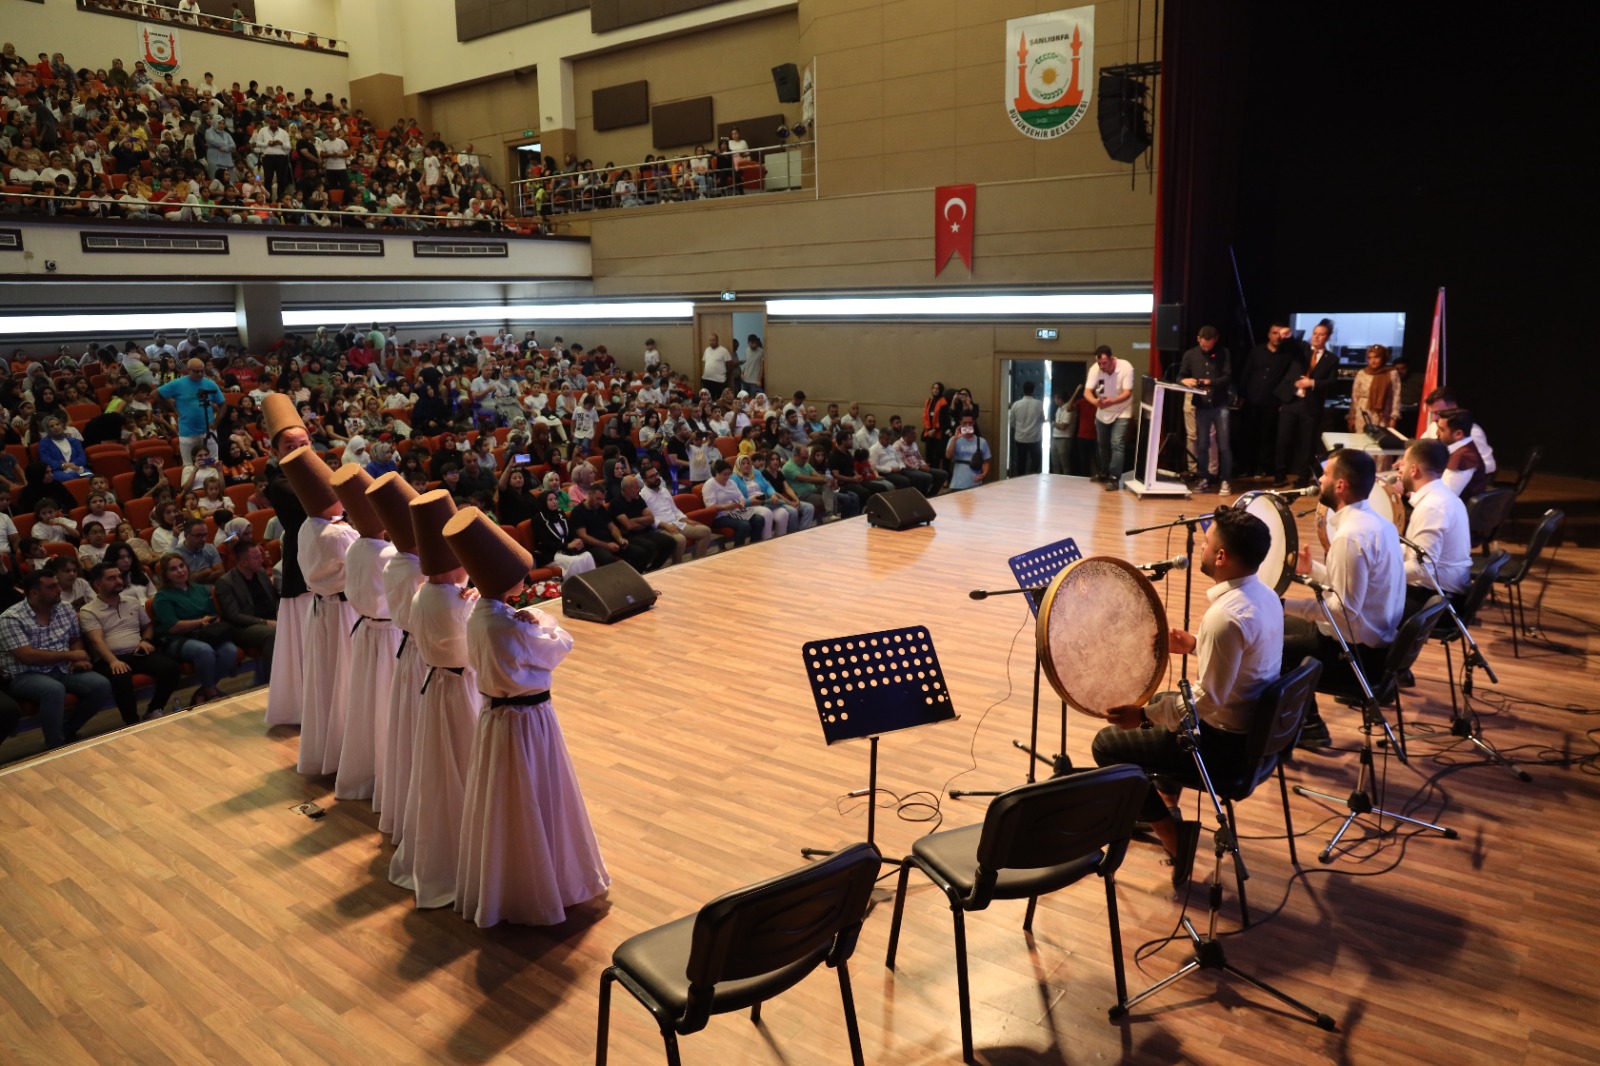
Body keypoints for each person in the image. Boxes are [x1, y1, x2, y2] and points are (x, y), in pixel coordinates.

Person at [1093, 505, 1284, 887]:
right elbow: (1247, 661)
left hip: (1224, 749)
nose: (1200, 547)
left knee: (1108, 744)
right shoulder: (1265, 597)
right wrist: (1197, 644)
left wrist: (1143, 716)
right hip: (1256, 740)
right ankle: (1167, 799)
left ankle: (1171, 834)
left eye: (1206, 541)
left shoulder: (1224, 617)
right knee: (1167, 706)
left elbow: (1206, 702)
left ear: (1221, 556)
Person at [441, 509, 610, 927]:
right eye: (520, 576)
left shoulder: (480, 614)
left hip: (496, 721)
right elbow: (560, 644)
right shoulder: (512, 627)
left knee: (504, 803)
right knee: (536, 798)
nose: (526, 581)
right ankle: (541, 883)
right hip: (528, 722)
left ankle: (505, 884)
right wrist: (544, 618)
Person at [388, 489, 481, 910]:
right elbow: (469, 653)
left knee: (440, 768)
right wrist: (477, 609)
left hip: (437, 689)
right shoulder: (451, 602)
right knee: (460, 764)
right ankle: (464, 846)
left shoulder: (424, 593)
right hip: (456, 690)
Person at [1282, 448, 1405, 749]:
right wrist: (1314, 570)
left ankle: (1307, 727)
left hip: (1358, 654)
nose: (1319, 479)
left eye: (1325, 474)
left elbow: (1343, 612)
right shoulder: (1380, 524)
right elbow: (1360, 587)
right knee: (1279, 621)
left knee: (1275, 643)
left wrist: (1283, 603)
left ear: (1340, 486)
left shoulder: (1350, 536)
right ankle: (1301, 722)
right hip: (1375, 638)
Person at [279, 445, 359, 776]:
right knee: (345, 678)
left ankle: (328, 745)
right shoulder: (340, 534)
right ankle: (345, 747)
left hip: (321, 608)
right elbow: (365, 566)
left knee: (326, 678)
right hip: (344, 612)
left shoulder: (304, 528)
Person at [329, 466, 399, 805]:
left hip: (367, 630)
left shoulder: (355, 546)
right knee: (386, 705)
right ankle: (388, 773)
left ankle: (366, 770)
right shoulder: (387, 554)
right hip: (387, 636)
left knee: (367, 703)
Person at [366, 472, 427, 842]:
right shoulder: (420, 569)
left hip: (408, 650)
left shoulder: (393, 561)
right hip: (424, 655)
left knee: (407, 730)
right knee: (422, 734)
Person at [0, 571, 114, 748]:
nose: (59, 589)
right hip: (25, 674)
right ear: (34, 593)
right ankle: (55, 746)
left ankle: (68, 731)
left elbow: (75, 638)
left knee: (101, 685)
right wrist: (71, 655)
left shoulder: (65, 608)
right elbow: (27, 656)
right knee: (53, 690)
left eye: (57, 585)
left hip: (62, 668)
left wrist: (77, 657)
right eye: (51, 587)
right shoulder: (11, 618)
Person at [261, 395, 313, 729]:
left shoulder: (314, 470)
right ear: (276, 450)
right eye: (290, 444)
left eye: (304, 443)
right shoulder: (278, 483)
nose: (299, 449)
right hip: (302, 556)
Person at [79, 561, 182, 724]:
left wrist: (145, 640)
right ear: (97, 584)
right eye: (111, 578)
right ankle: (132, 722)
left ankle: (154, 709)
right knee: (121, 675)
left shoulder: (132, 602)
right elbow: (96, 640)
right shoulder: (88, 610)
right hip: (108, 658)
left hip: (136, 652)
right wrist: (113, 661)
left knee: (171, 668)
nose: (118, 581)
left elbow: (147, 625)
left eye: (119, 576)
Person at [1390, 439, 1471, 618]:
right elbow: (1418, 554)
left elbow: (1422, 568)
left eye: (1403, 464)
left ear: (1414, 470)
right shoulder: (1444, 497)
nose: (1399, 470)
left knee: (1366, 602)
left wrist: (1381, 573)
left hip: (1440, 601)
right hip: (1440, 591)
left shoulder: (1432, 507)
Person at [151, 553, 238, 706]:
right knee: (204, 651)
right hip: (177, 639)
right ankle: (212, 693)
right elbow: (173, 627)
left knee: (230, 650)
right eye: (173, 569)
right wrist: (200, 622)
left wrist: (213, 620)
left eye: (181, 566)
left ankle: (202, 692)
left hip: (206, 633)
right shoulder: (162, 597)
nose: (179, 571)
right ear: (165, 575)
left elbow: (213, 614)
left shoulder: (199, 589)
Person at [1178, 326, 1234, 496]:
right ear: (1198, 339)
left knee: (1223, 444)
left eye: (1209, 346)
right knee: (1202, 445)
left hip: (1220, 404)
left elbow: (1227, 377)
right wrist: (1185, 381)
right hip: (1201, 406)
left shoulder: (1224, 353)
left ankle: (1226, 479)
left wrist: (1210, 382)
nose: (1206, 348)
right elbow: (1180, 376)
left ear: (1215, 340)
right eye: (1204, 346)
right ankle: (1204, 478)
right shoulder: (1190, 355)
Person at [213, 540, 278, 684]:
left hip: (271, 620)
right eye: (256, 557)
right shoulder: (225, 583)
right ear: (243, 562)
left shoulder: (261, 573)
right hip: (243, 628)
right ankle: (272, 683)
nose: (262, 559)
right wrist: (265, 622)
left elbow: (274, 598)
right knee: (271, 635)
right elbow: (233, 615)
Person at [1239, 323, 1296, 482]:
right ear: (1268, 335)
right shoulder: (1257, 351)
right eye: (1274, 333)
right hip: (1252, 398)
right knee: (1248, 435)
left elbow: (1287, 379)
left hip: (1271, 401)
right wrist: (1241, 395)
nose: (1277, 336)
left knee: (1267, 437)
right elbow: (1247, 372)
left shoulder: (1286, 355)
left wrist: (1283, 400)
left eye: (1280, 333)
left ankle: (1262, 468)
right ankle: (1246, 467)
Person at [157, 359, 226, 467]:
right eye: (196, 371)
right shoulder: (177, 383)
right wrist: (172, 409)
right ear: (188, 370)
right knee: (189, 465)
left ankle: (213, 482)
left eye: (202, 371)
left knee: (212, 462)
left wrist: (216, 423)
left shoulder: (210, 384)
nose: (200, 374)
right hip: (187, 432)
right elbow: (155, 394)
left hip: (208, 430)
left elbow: (223, 404)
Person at [638, 465, 711, 563]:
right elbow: (649, 519)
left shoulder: (664, 491)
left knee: (705, 531)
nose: (656, 478)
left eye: (656, 475)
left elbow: (675, 510)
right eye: (652, 476)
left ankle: (698, 561)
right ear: (644, 480)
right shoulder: (642, 496)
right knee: (680, 540)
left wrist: (685, 519)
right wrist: (665, 525)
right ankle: (677, 565)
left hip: (676, 522)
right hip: (660, 528)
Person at [1086, 345, 1134, 490]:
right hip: (1103, 412)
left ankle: (1114, 476)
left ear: (1112, 359)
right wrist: (1094, 401)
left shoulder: (1126, 367)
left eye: (1104, 363)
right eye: (1099, 363)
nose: (1101, 366)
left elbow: (1128, 393)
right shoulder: (1095, 369)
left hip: (1122, 410)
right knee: (1103, 444)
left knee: (1116, 442)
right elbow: (1087, 391)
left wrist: (1111, 401)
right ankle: (1104, 472)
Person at [1418, 387, 1496, 474]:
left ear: (1453, 408)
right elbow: (1418, 448)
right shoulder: (1433, 427)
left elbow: (1490, 465)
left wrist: (1459, 470)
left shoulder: (1473, 432)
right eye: (1432, 413)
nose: (1434, 418)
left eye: (1438, 413)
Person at [608, 475, 677, 570]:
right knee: (650, 547)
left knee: (670, 542)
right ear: (627, 490)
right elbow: (628, 526)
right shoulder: (616, 503)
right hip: (629, 536)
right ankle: (639, 572)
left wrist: (634, 520)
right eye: (636, 487)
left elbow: (651, 519)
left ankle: (653, 568)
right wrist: (643, 521)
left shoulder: (638, 498)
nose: (639, 489)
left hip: (645, 532)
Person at [529, 488, 599, 576]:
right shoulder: (538, 519)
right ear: (543, 502)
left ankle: (593, 582)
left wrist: (576, 541)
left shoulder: (560, 513)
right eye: (550, 500)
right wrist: (567, 545)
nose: (554, 502)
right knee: (575, 561)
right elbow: (545, 542)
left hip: (566, 550)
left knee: (588, 556)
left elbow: (570, 531)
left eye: (555, 499)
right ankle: (575, 587)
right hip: (551, 553)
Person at [1347, 344, 1401, 432]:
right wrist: (1352, 417)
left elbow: (1396, 396)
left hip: (1383, 414)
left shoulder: (1391, 373)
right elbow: (1355, 397)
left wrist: (1394, 418)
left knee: (1380, 441)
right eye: (1370, 358)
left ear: (1383, 358)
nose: (1373, 361)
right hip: (1363, 413)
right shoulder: (1362, 373)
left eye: (1376, 357)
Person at [1437, 409, 1488, 502]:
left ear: (1458, 434)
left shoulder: (1463, 457)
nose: (1437, 433)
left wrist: (1412, 491)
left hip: (1453, 513)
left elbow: (1444, 497)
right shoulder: (1461, 450)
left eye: (1441, 429)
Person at [1007, 380, 1044, 476]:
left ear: (1023, 391)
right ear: (1033, 391)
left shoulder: (1016, 404)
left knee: (1021, 461)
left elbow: (1012, 422)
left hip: (1020, 437)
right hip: (1035, 437)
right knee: (1035, 460)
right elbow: (1042, 419)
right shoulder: (1039, 404)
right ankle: (1033, 478)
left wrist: (1019, 428)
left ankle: (1020, 479)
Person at [946, 414, 991, 491]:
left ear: (973, 423)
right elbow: (948, 456)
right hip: (957, 483)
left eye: (970, 423)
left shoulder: (982, 442)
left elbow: (986, 462)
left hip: (975, 482)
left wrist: (984, 474)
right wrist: (955, 439)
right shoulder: (954, 440)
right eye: (965, 423)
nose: (967, 425)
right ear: (960, 423)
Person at [1050, 385, 1081, 474]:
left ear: (1060, 399)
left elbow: (1063, 426)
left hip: (1064, 438)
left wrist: (1053, 423)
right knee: (1055, 464)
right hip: (1055, 437)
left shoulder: (1069, 408)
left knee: (1065, 464)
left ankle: (1065, 483)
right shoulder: (1058, 409)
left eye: (1056, 398)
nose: (1054, 400)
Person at [700, 332, 734, 396]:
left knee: (719, 400)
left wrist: (727, 377)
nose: (711, 342)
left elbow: (730, 364)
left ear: (717, 340)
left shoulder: (723, 350)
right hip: (707, 379)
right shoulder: (707, 350)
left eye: (713, 340)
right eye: (710, 340)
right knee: (707, 399)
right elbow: (705, 364)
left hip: (719, 381)